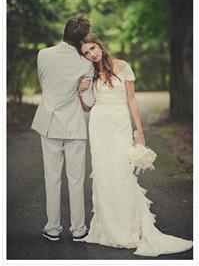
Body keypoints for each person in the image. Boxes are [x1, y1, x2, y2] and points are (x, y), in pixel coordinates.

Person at [76, 33, 193, 256]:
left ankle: (128, 227)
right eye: (86, 53)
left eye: (93, 49)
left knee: (121, 172)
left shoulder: (123, 66)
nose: (92, 54)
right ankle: (106, 227)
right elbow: (87, 107)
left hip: (119, 124)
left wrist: (139, 130)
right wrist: (81, 92)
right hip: (99, 125)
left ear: (99, 45)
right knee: (103, 173)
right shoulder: (89, 73)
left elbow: (131, 100)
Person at [31, 15, 94, 242]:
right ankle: (78, 229)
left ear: (64, 32)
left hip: (49, 122)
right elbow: (88, 101)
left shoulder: (43, 55)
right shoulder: (86, 63)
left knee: (52, 177)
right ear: (82, 38)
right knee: (76, 179)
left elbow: (44, 84)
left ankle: (53, 228)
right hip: (75, 125)